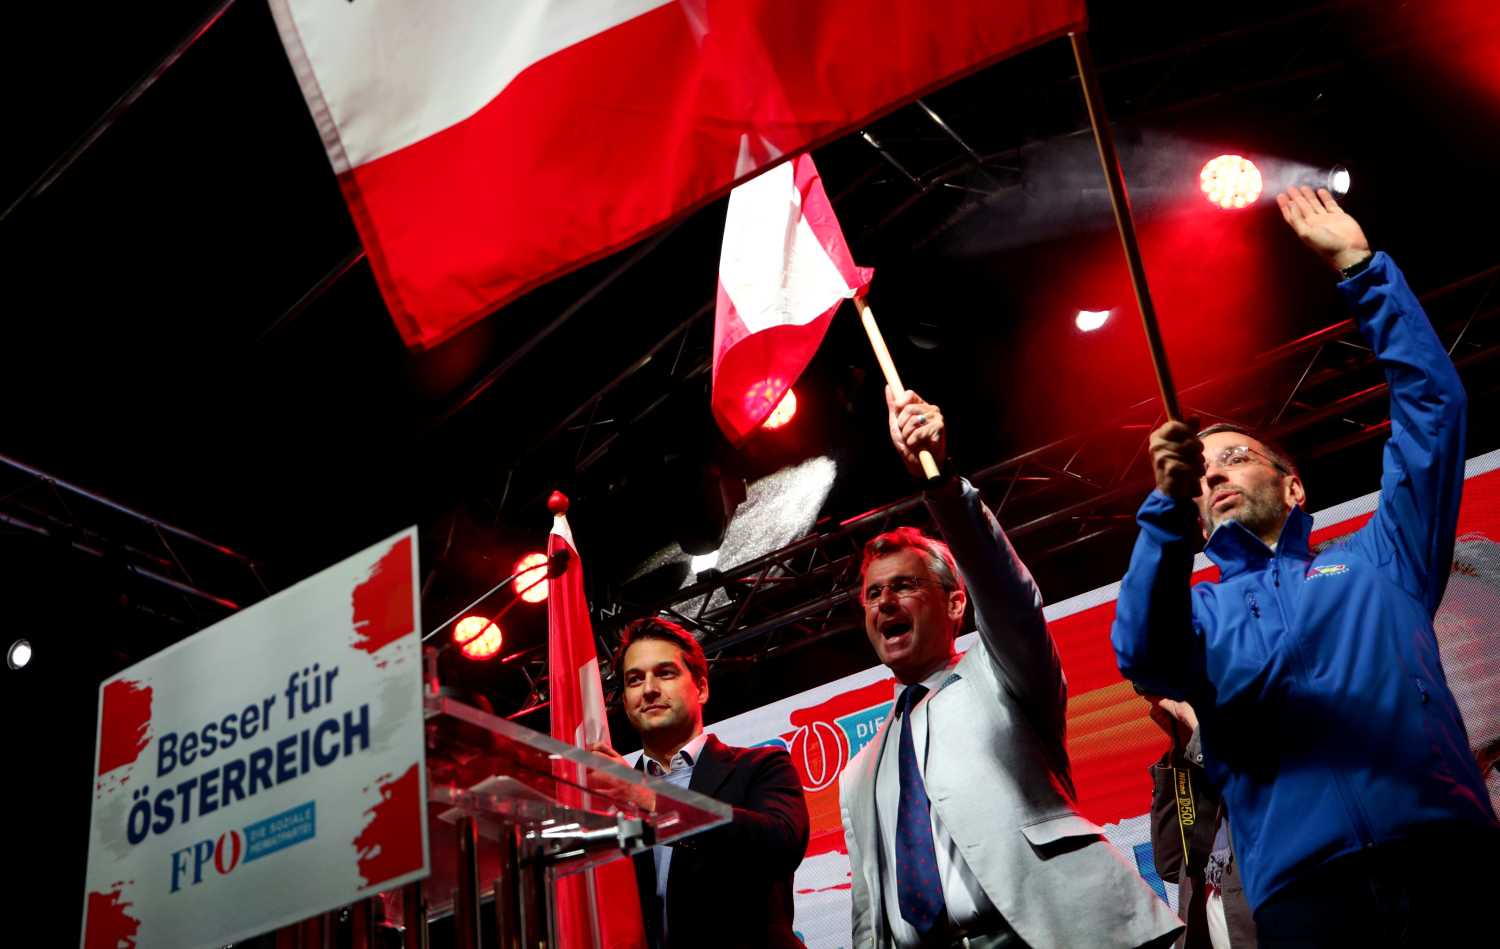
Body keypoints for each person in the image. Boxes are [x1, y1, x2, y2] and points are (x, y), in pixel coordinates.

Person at [1111, 186, 1500, 946]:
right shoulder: (1200, 615)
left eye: (1236, 458)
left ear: (1292, 485)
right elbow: (1142, 651)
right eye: (1201, 472)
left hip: (1448, 861)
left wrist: (1363, 271)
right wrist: (1161, 510)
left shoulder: (1383, 556)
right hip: (1307, 899)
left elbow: (1435, 410)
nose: (1215, 474)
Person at [838, 386, 1183, 948]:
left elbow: (1005, 591)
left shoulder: (999, 669)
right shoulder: (858, 775)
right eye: (873, 595)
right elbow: (866, 919)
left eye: (904, 585)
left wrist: (942, 486)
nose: (885, 603)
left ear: (954, 603)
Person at [590, 617, 809, 949]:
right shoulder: (607, 801)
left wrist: (648, 797)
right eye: (635, 679)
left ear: (702, 688)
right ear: (625, 702)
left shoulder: (761, 766)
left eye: (665, 673)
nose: (649, 688)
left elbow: (780, 843)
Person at [1139, 691, 1256, 949]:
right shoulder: (1207, 772)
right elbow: (1171, 864)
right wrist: (1180, 748)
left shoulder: (1261, 763)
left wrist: (1202, 734)